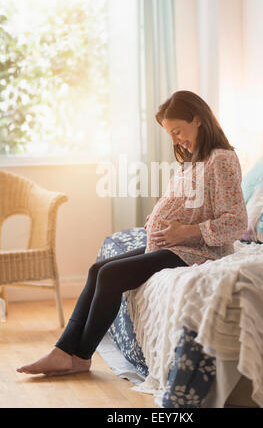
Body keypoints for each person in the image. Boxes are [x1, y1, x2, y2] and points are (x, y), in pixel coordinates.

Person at [17, 90, 248, 376]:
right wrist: (158, 220)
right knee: (97, 268)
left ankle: (79, 357)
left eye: (178, 131)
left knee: (110, 276)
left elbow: (236, 221)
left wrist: (184, 232)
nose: (176, 141)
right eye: (171, 135)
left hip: (199, 251)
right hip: (174, 244)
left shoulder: (221, 159)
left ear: (198, 119)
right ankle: (63, 350)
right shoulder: (194, 158)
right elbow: (189, 205)